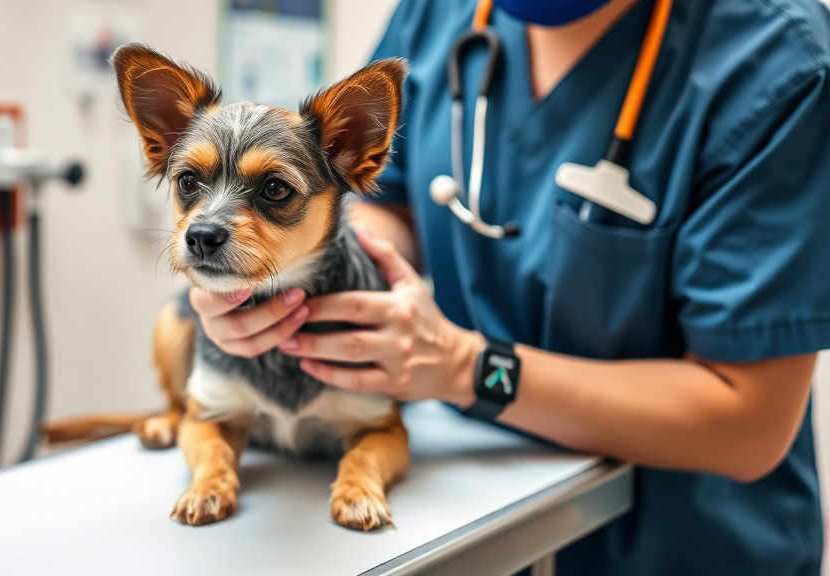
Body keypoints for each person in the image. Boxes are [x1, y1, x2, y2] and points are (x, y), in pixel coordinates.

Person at [189, 0, 830, 574]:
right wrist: (268, 275)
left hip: (683, 546)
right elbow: (384, 206)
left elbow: (750, 423)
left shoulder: (774, 58)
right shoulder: (439, 15)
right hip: (475, 519)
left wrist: (470, 369)